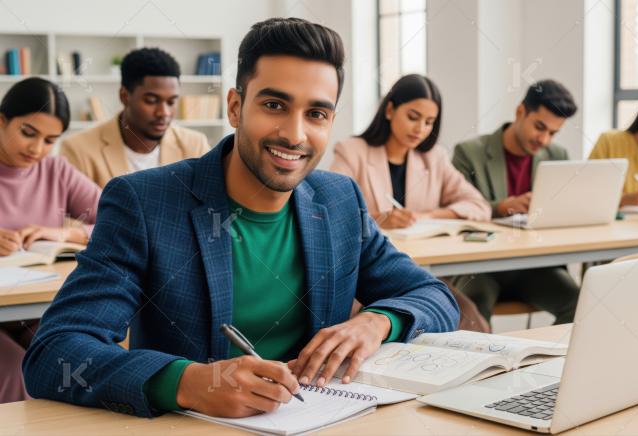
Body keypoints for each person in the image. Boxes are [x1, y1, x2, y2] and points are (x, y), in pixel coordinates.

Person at [23, 17, 458, 419]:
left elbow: (434, 296)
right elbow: (54, 354)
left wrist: (377, 321)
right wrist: (185, 383)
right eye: (274, 105)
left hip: (321, 421)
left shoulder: (340, 199)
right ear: (235, 107)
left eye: (316, 114)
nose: (294, 134)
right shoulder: (144, 202)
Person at [330, 74, 491, 332]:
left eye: (429, 122)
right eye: (413, 117)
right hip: (369, 278)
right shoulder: (353, 151)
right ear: (391, 109)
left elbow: (479, 206)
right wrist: (379, 218)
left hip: (421, 273)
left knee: (473, 320)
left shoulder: (434, 157)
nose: (420, 129)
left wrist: (427, 215)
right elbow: (331, 214)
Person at [0, 77, 101, 403]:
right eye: (29, 133)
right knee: (14, 370)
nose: (37, 149)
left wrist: (64, 233)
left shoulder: (56, 171)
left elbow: (120, 222)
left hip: (37, 307)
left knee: (72, 359)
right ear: (2, 121)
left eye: (50, 140)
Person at [451, 80, 580, 325]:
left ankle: (551, 361)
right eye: (539, 127)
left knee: (581, 303)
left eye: (552, 133)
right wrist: (499, 207)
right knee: (472, 313)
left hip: (535, 267)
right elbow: (457, 209)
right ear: (521, 112)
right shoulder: (469, 153)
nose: (544, 139)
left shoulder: (557, 156)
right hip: (482, 266)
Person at [60, 47, 210, 187]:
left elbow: (210, 206)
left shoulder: (195, 146)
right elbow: (68, 215)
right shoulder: (78, 149)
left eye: (171, 102)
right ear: (124, 96)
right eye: (151, 100)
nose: (164, 112)